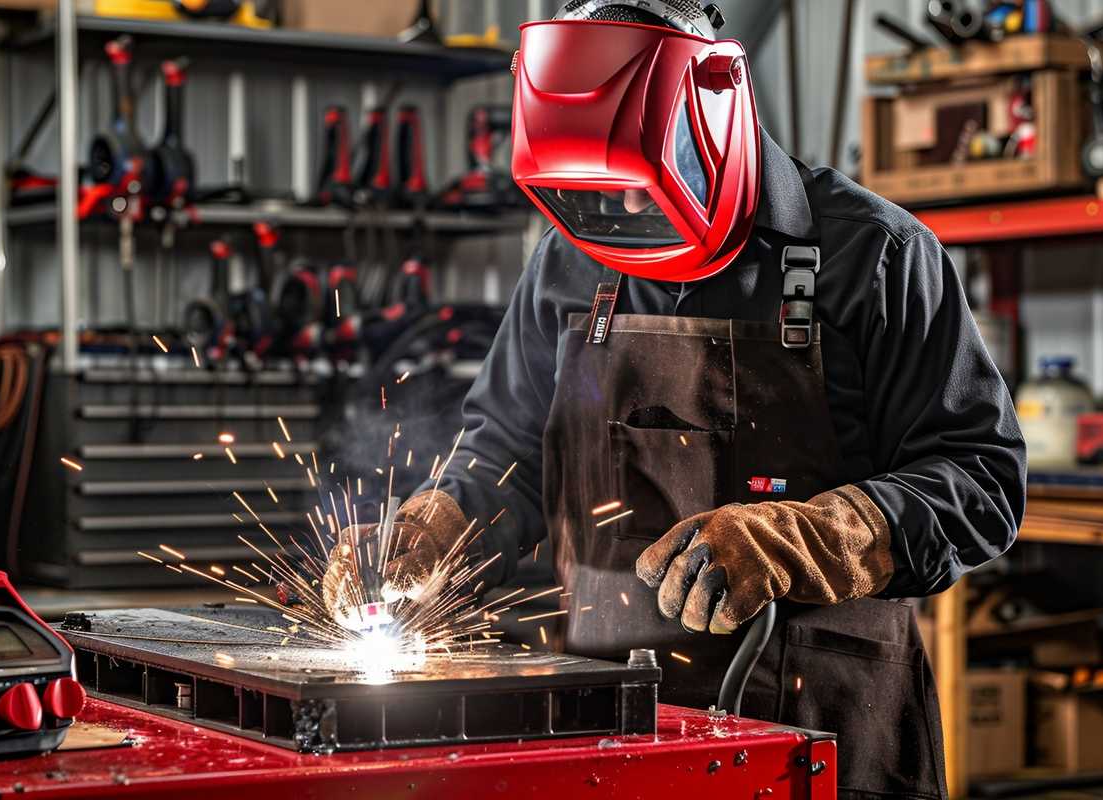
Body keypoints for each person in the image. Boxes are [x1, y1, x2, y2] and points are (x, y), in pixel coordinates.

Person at [331, 2, 1026, 797]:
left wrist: (810, 538)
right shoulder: (566, 265)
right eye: (588, 193)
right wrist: (438, 528)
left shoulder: (877, 257)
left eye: (644, 184)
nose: (623, 213)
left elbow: (981, 480)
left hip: (824, 740)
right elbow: (509, 457)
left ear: (719, 108)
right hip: (602, 737)